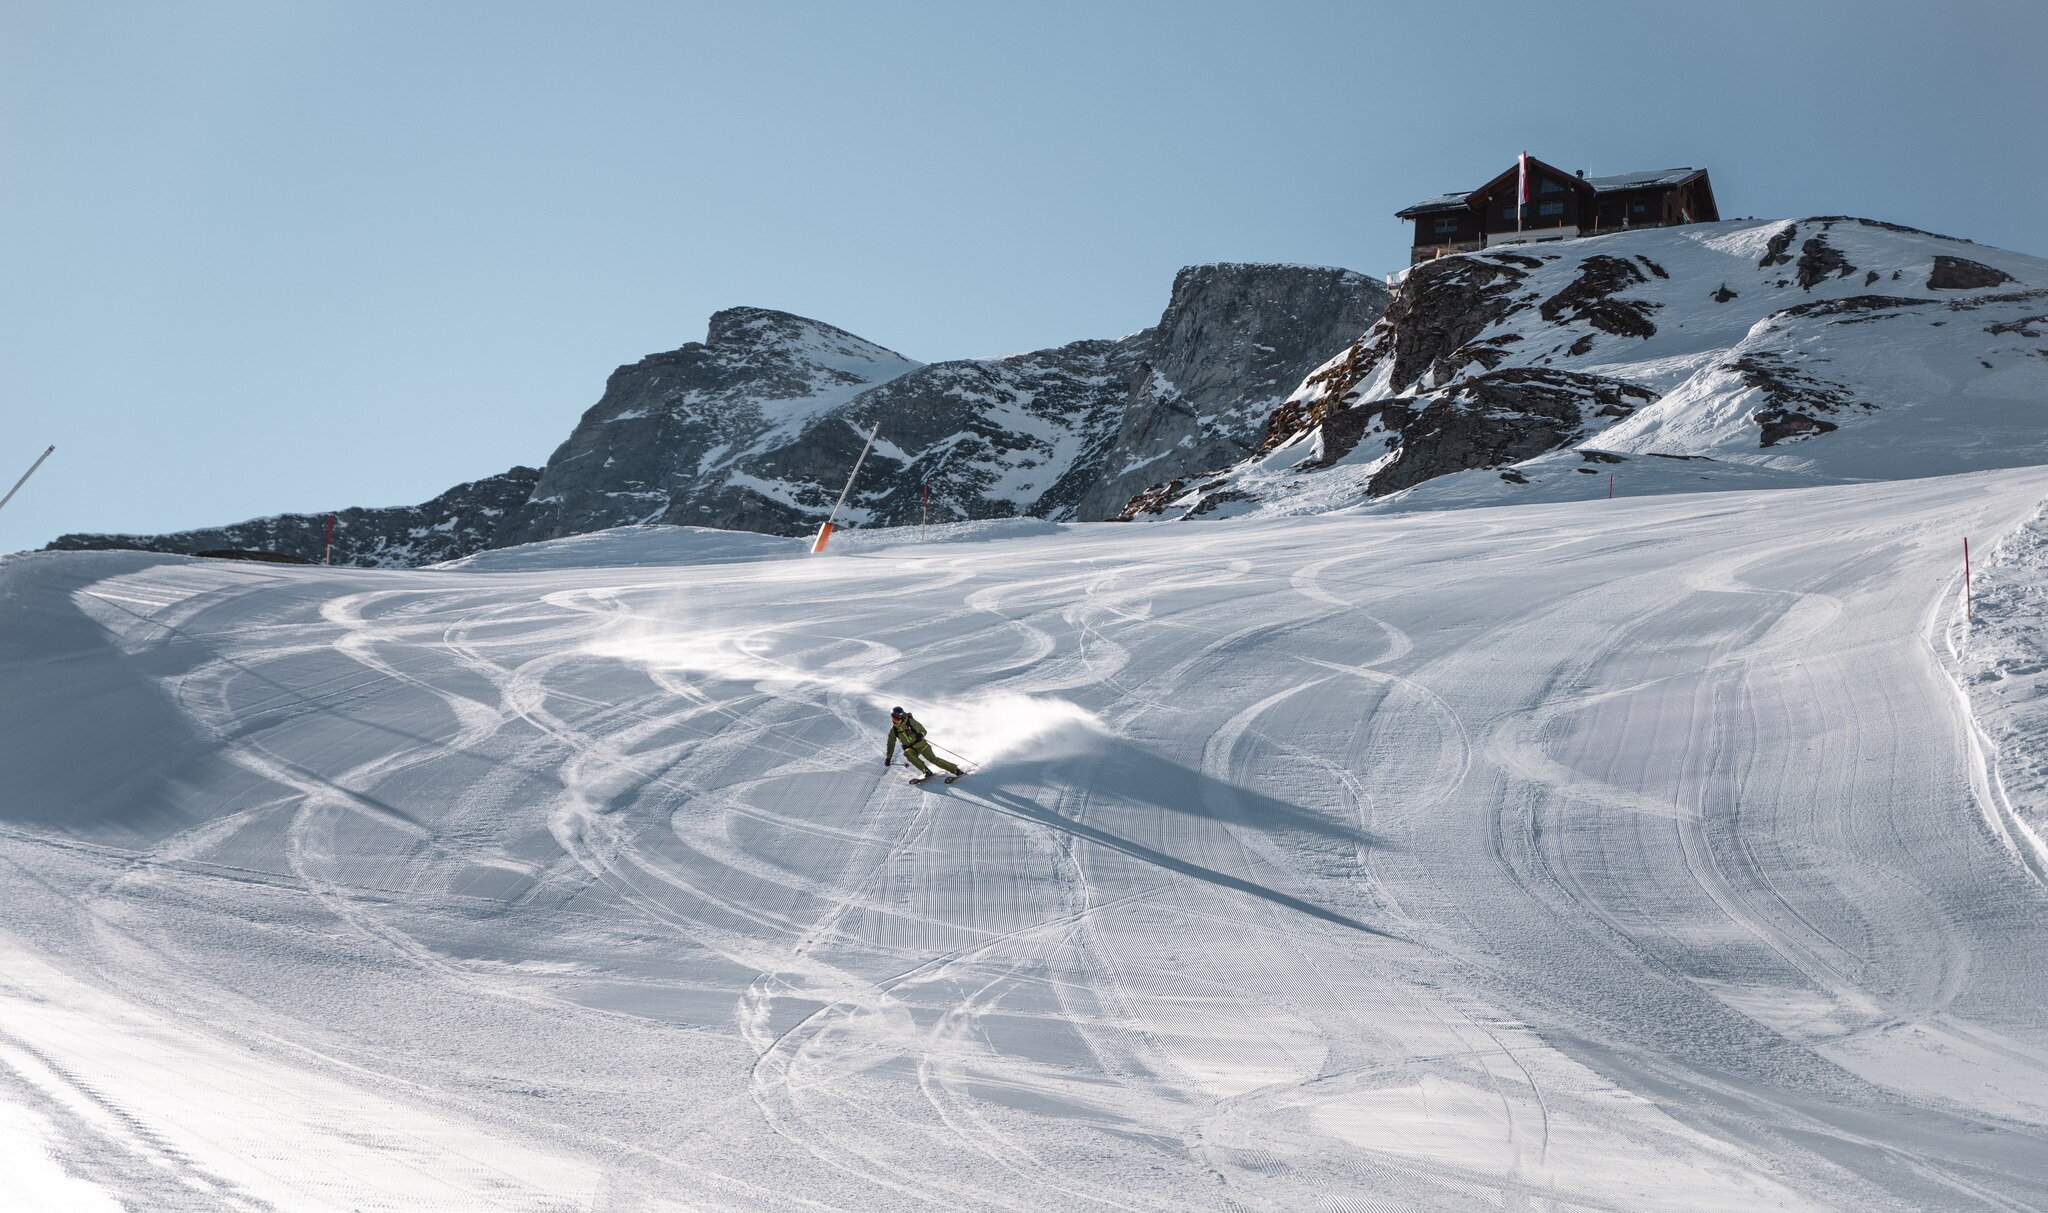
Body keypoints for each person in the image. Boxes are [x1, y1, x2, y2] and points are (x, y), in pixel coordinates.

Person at [884, 706, 962, 781]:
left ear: (901, 717)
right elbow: (890, 744)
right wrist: (888, 758)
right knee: (907, 753)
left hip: (921, 745)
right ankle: (926, 771)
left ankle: (955, 770)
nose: (895, 720)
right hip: (912, 748)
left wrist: (920, 735)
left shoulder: (910, 722)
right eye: (893, 718)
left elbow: (923, 730)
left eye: (896, 718)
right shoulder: (894, 730)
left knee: (933, 760)